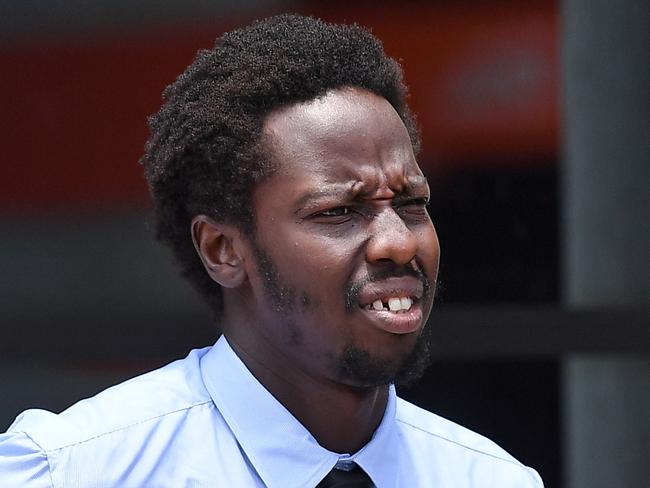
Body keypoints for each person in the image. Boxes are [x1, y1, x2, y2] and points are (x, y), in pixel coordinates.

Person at [0, 14, 543, 487]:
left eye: (412, 202)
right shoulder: (73, 470)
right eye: (339, 211)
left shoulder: (490, 478)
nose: (399, 242)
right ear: (222, 250)